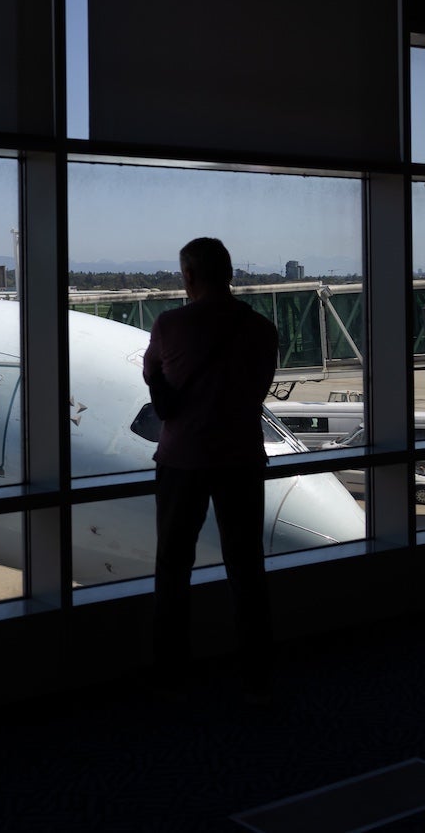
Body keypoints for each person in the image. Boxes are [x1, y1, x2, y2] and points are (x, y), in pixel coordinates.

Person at [142, 237, 279, 705]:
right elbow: (259, 389)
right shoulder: (261, 329)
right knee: (246, 565)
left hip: (183, 459)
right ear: (230, 272)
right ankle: (256, 670)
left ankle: (171, 668)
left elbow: (152, 374)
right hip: (241, 457)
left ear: (189, 277)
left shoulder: (169, 324)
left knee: (173, 566)